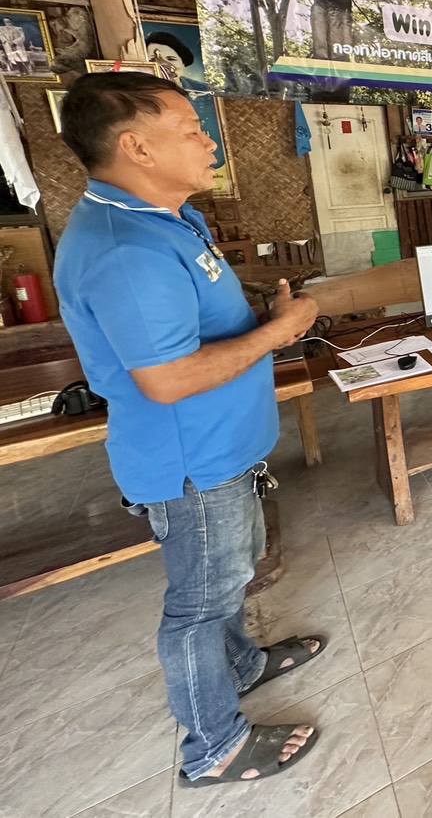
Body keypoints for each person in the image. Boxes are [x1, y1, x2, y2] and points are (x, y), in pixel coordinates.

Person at [52, 71, 324, 788]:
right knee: (200, 606)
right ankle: (214, 748)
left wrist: (263, 316)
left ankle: (243, 665)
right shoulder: (126, 250)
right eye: (191, 130)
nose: (209, 142)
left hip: (220, 447)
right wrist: (279, 333)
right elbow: (166, 379)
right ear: (137, 147)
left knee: (230, 577)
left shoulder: (167, 218)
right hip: (189, 461)